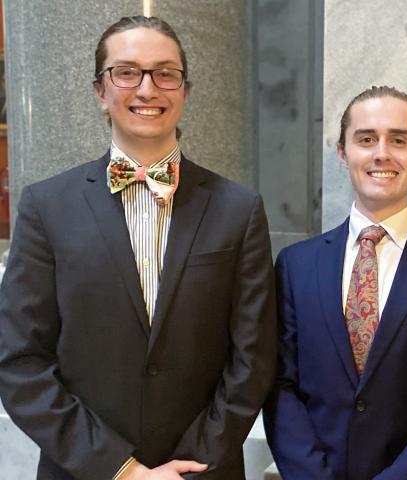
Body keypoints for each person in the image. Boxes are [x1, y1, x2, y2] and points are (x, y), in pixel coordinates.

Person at [0, 16, 276, 479]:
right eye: (126, 72)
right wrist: (123, 470)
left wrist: (189, 466)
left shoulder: (239, 209)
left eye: (165, 73)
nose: (148, 89)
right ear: (100, 91)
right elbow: (20, 361)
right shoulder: (46, 207)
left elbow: (254, 356)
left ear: (184, 91)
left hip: (202, 470)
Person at [264, 86, 407, 479]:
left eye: (399, 140)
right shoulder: (295, 265)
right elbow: (279, 386)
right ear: (343, 153)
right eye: (366, 139)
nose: (382, 153)